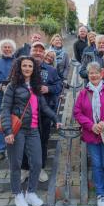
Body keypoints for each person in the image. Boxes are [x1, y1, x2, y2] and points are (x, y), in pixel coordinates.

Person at [1, 56, 61, 206]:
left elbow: (44, 107)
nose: (27, 68)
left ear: (34, 69)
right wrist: (8, 131)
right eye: (24, 65)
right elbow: (5, 110)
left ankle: (31, 193)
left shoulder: (36, 87)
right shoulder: (12, 86)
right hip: (17, 130)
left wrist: (56, 119)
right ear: (19, 68)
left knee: (37, 163)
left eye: (30, 66)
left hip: (33, 130)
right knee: (16, 163)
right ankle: (18, 194)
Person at [74, 62, 104, 206]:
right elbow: (77, 112)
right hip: (91, 134)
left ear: (101, 73)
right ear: (88, 75)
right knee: (96, 165)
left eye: (96, 72)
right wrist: (90, 125)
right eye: (90, 73)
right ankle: (100, 193)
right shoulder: (83, 93)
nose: (93, 75)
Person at [30, 41, 62, 182]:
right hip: (25, 112)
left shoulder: (51, 70)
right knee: (25, 141)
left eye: (40, 50)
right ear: (30, 51)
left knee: (43, 141)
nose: (38, 52)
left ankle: (41, 168)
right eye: (35, 49)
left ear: (44, 54)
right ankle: (25, 168)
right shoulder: (23, 66)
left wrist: (48, 89)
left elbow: (59, 85)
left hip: (45, 112)